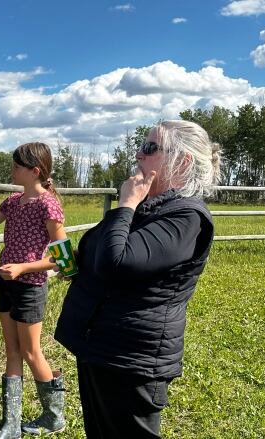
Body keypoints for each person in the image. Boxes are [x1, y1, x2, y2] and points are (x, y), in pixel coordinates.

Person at [54, 120, 221, 438]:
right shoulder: (149, 209)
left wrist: (127, 203)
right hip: (100, 348)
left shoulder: (186, 217)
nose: (138, 153)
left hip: (131, 360)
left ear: (182, 161)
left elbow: (118, 262)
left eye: (150, 147)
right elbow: (102, 253)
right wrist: (79, 263)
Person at [0, 142, 68, 438]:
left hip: (30, 287)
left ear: (34, 171)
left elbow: (65, 259)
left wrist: (23, 268)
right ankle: (10, 425)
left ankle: (54, 417)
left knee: (30, 351)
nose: (11, 170)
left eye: (16, 166)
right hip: (7, 285)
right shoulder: (13, 202)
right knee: (12, 351)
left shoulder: (48, 205)